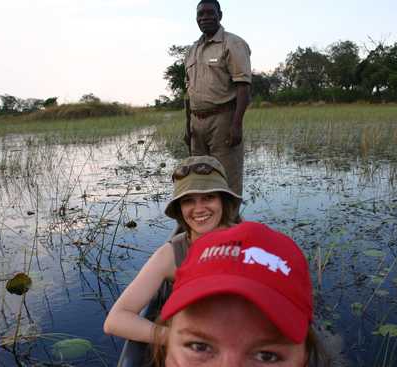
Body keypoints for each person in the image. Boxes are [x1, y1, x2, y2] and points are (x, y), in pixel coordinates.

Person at [103, 155, 241, 343]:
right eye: (188, 200)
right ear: (180, 208)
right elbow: (116, 320)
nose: (198, 209)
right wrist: (183, 341)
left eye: (209, 197)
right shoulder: (172, 254)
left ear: (223, 202)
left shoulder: (249, 242)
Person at [153, 221, 330, 367]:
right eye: (198, 347)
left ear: (304, 359)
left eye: (267, 356)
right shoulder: (168, 253)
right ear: (167, 350)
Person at [184, 0, 252, 196]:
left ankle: (231, 225)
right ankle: (208, 225)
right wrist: (187, 126)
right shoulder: (191, 50)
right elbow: (188, 92)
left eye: (209, 13)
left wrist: (236, 125)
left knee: (227, 180)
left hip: (223, 120)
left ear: (219, 15)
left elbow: (243, 87)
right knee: (200, 179)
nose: (205, 18)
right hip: (197, 124)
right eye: (200, 15)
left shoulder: (233, 43)